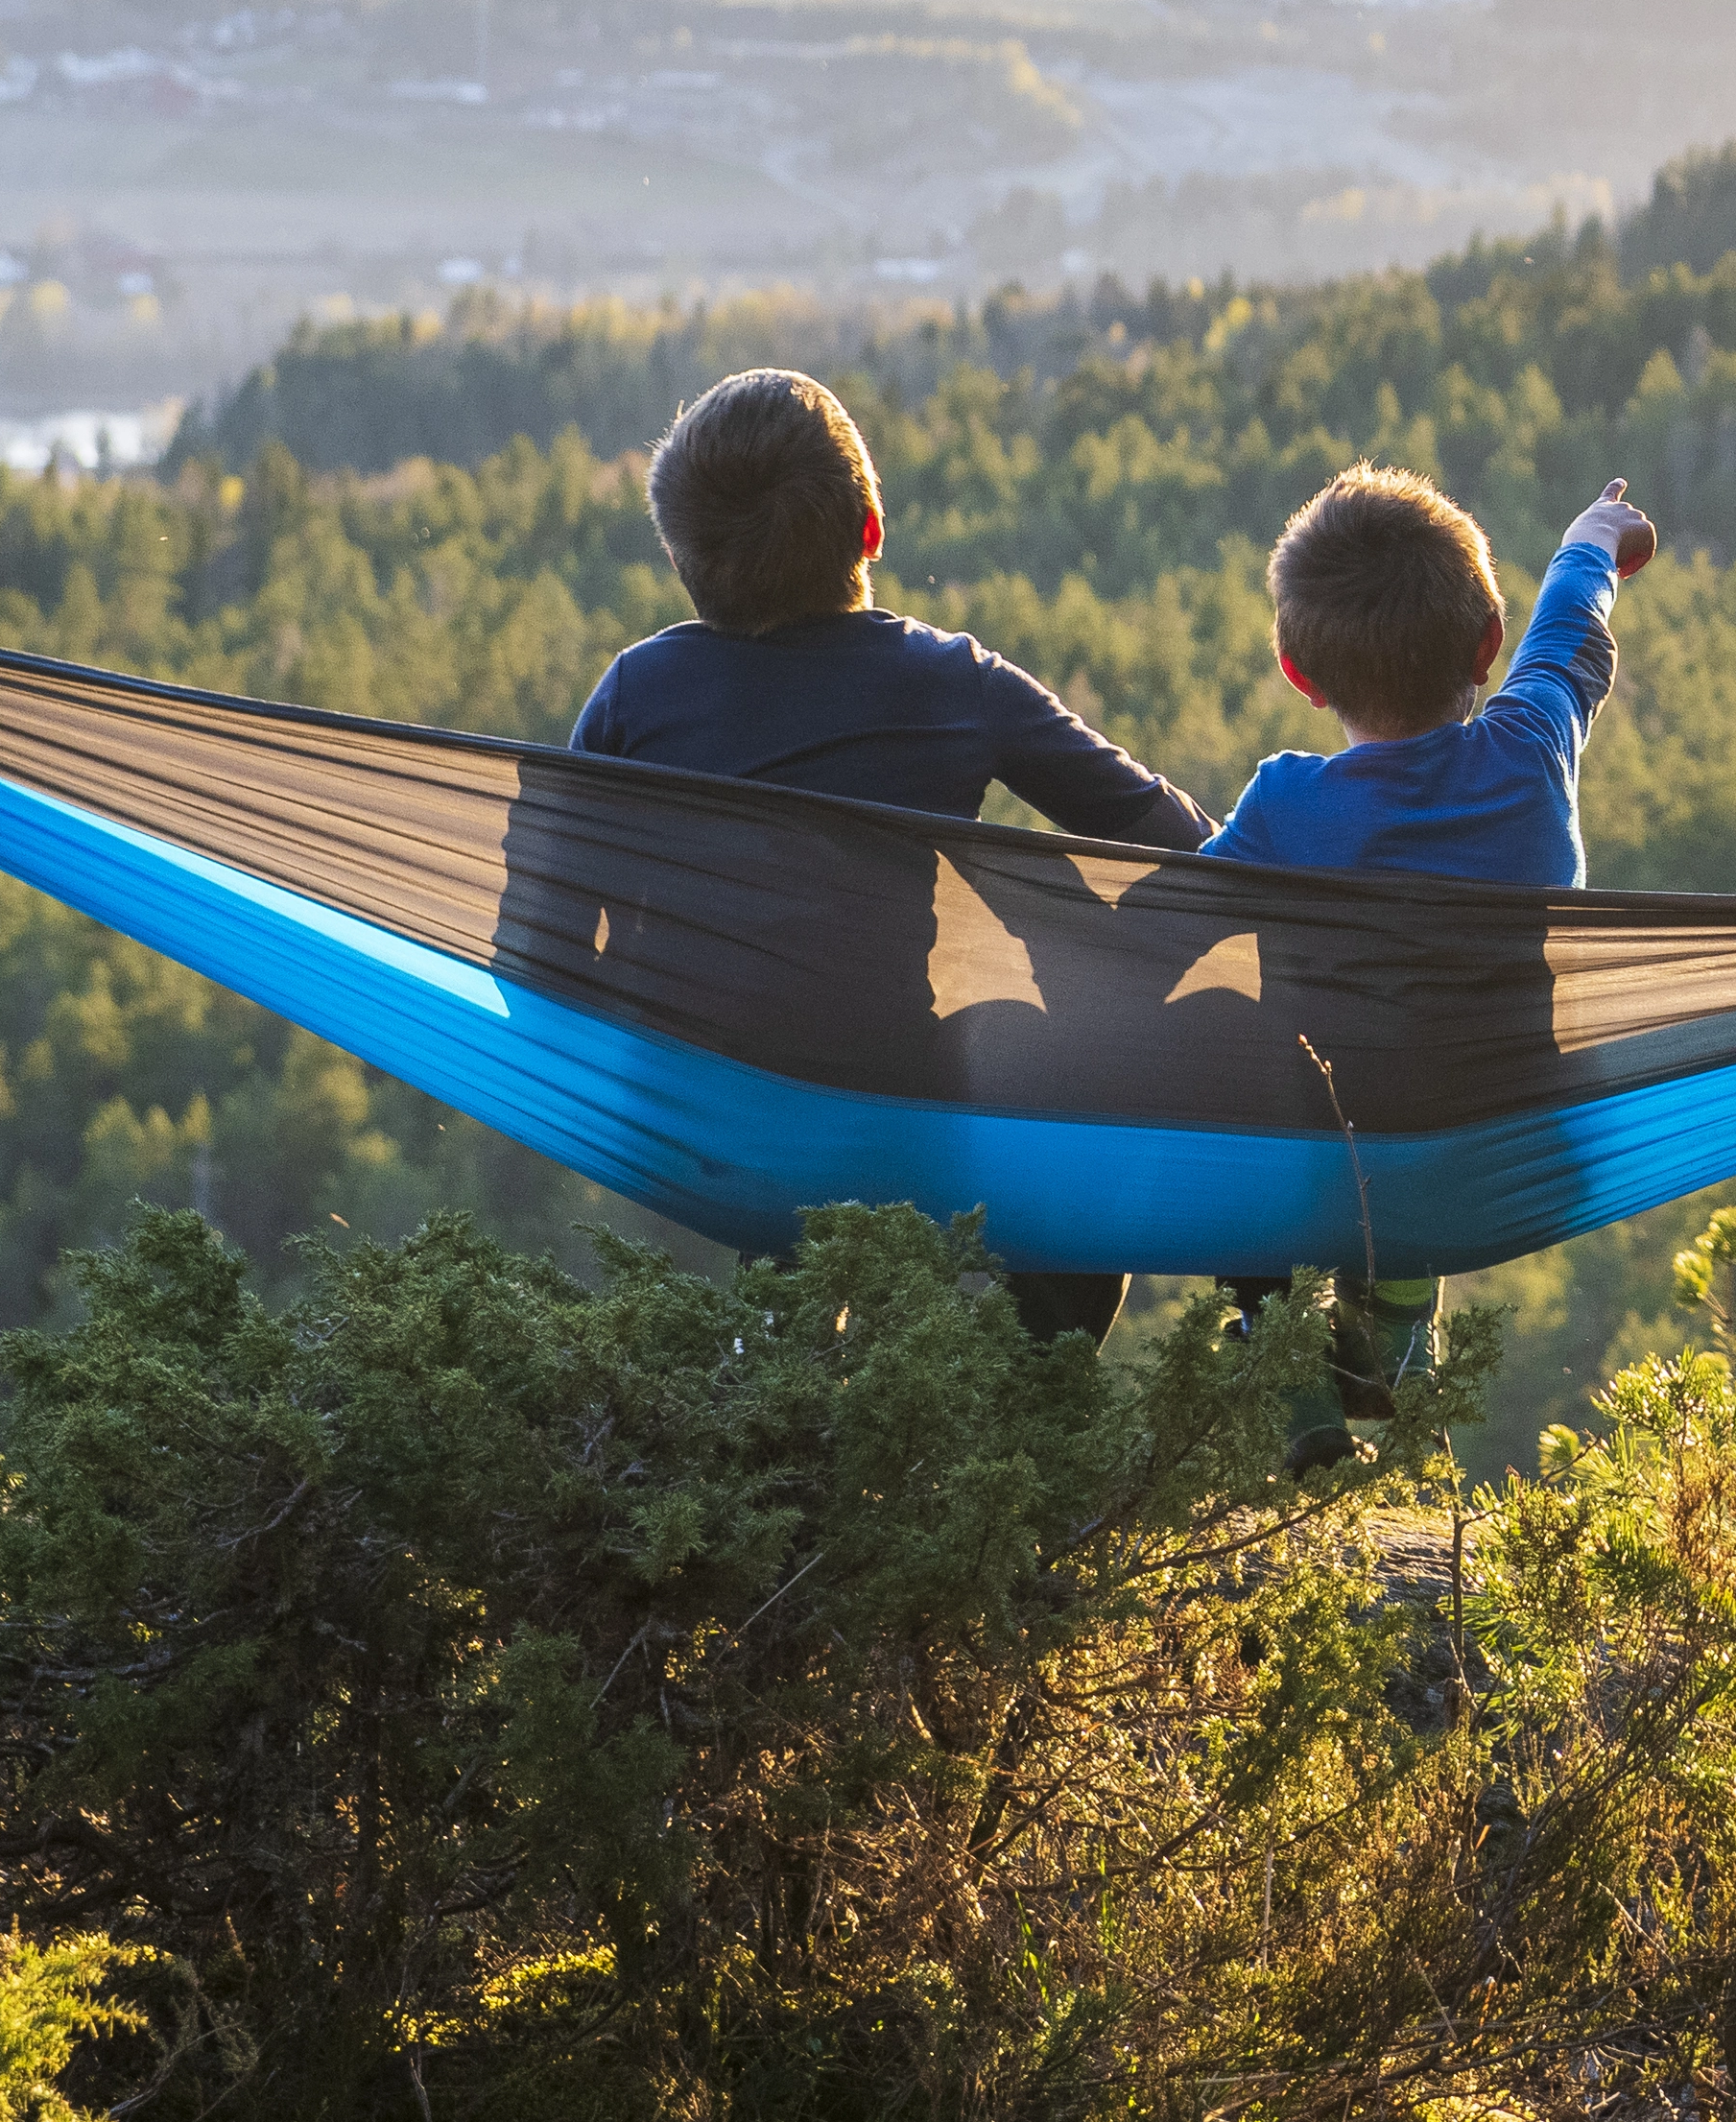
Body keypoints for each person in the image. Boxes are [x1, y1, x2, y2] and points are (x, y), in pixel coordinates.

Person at [565, 365, 1209, 1343]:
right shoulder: (951, 683)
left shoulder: (638, 691)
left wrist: (645, 1034)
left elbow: (546, 915)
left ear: (681, 561)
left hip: (713, 1107)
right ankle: (1030, 1409)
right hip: (905, 1094)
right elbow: (1173, 840)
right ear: (868, 532)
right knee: (1051, 1100)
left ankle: (780, 1364)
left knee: (785, 1154)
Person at [1206, 461, 1656, 1468]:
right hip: (1509, 1142)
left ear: (1299, 674)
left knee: (1225, 1077)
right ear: (1486, 643)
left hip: (1327, 1154)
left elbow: (1163, 924)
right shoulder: (1530, 749)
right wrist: (1591, 540)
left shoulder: (1284, 805)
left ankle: (1285, 1376)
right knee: (1424, 1085)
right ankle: (1397, 1318)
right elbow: (1568, 634)